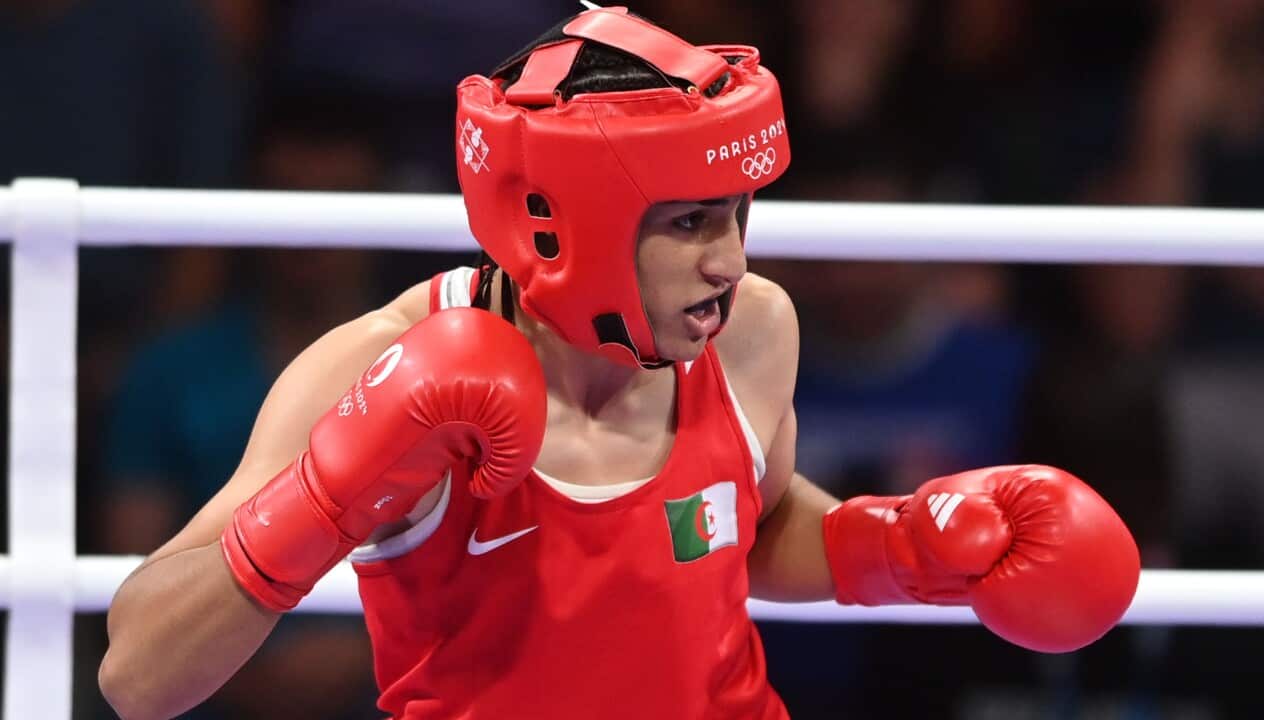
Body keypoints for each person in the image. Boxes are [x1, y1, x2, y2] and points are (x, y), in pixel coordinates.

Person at [98, 7, 1141, 719]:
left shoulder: (752, 329)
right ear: (562, 225)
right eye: (688, 223)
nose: (729, 262)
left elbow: (750, 525)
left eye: (736, 216)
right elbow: (138, 678)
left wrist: (900, 546)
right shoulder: (380, 362)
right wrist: (329, 494)